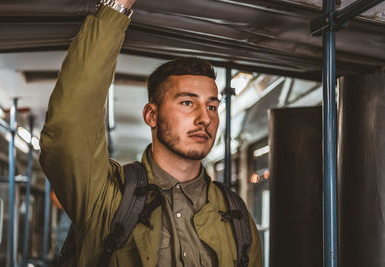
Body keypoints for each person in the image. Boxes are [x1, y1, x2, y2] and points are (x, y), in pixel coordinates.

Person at [39, 0, 262, 266]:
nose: (205, 118)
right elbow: (68, 131)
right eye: (188, 103)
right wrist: (116, 8)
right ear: (151, 115)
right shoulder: (108, 197)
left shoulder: (235, 214)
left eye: (212, 106)